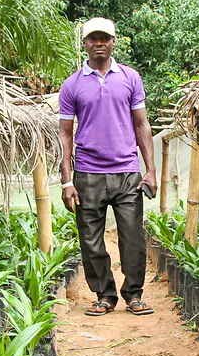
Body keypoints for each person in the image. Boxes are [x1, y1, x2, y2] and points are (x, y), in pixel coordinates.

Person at [58, 17, 156, 317]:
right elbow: (65, 133)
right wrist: (66, 180)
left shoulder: (130, 78)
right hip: (87, 174)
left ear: (114, 41)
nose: (99, 43)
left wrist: (150, 170)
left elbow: (141, 124)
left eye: (105, 38)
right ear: (85, 44)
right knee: (90, 239)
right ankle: (104, 295)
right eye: (93, 38)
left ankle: (134, 293)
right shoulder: (72, 85)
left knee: (133, 236)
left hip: (127, 172)